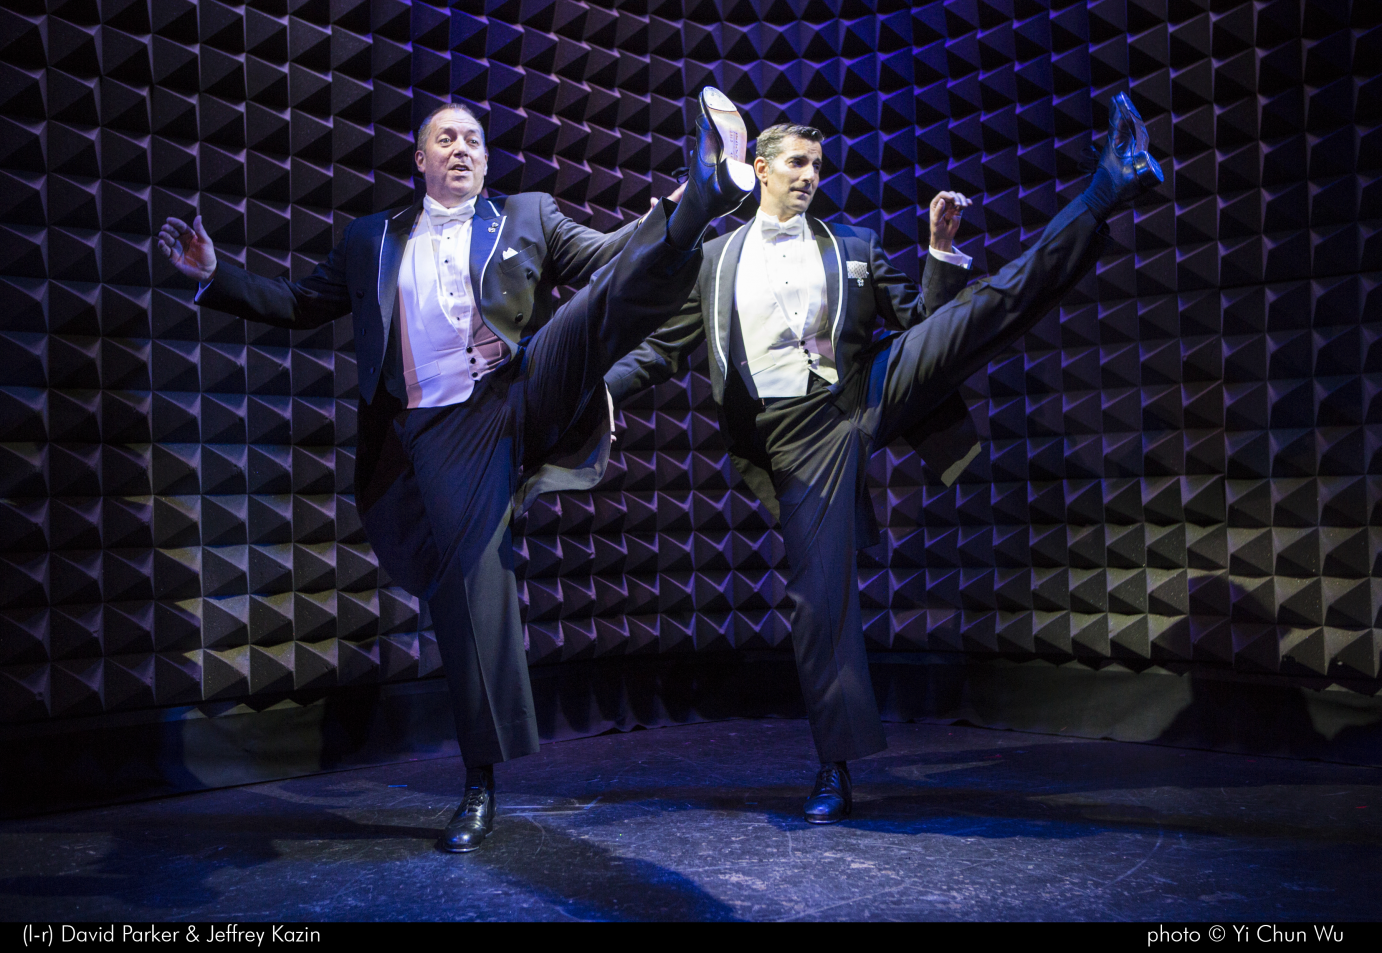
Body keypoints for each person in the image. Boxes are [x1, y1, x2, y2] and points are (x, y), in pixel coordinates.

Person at [156, 88, 757, 852]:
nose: (463, 148)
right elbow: (300, 303)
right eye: (446, 139)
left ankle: (708, 192)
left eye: (473, 138)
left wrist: (667, 216)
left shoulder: (529, 214)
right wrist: (217, 272)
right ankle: (481, 779)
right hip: (437, 432)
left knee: (589, 312)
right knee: (473, 593)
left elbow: (610, 260)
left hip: (515, 392)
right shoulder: (369, 238)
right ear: (421, 159)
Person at [606, 92, 1163, 823]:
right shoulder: (712, 260)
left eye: (818, 166)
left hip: (865, 389)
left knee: (985, 308)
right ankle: (834, 765)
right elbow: (661, 349)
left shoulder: (856, 247)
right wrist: (603, 396)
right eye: (798, 163)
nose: (810, 175)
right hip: (796, 438)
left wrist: (937, 254)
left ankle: (1105, 188)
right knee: (820, 597)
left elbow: (930, 328)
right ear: (761, 168)